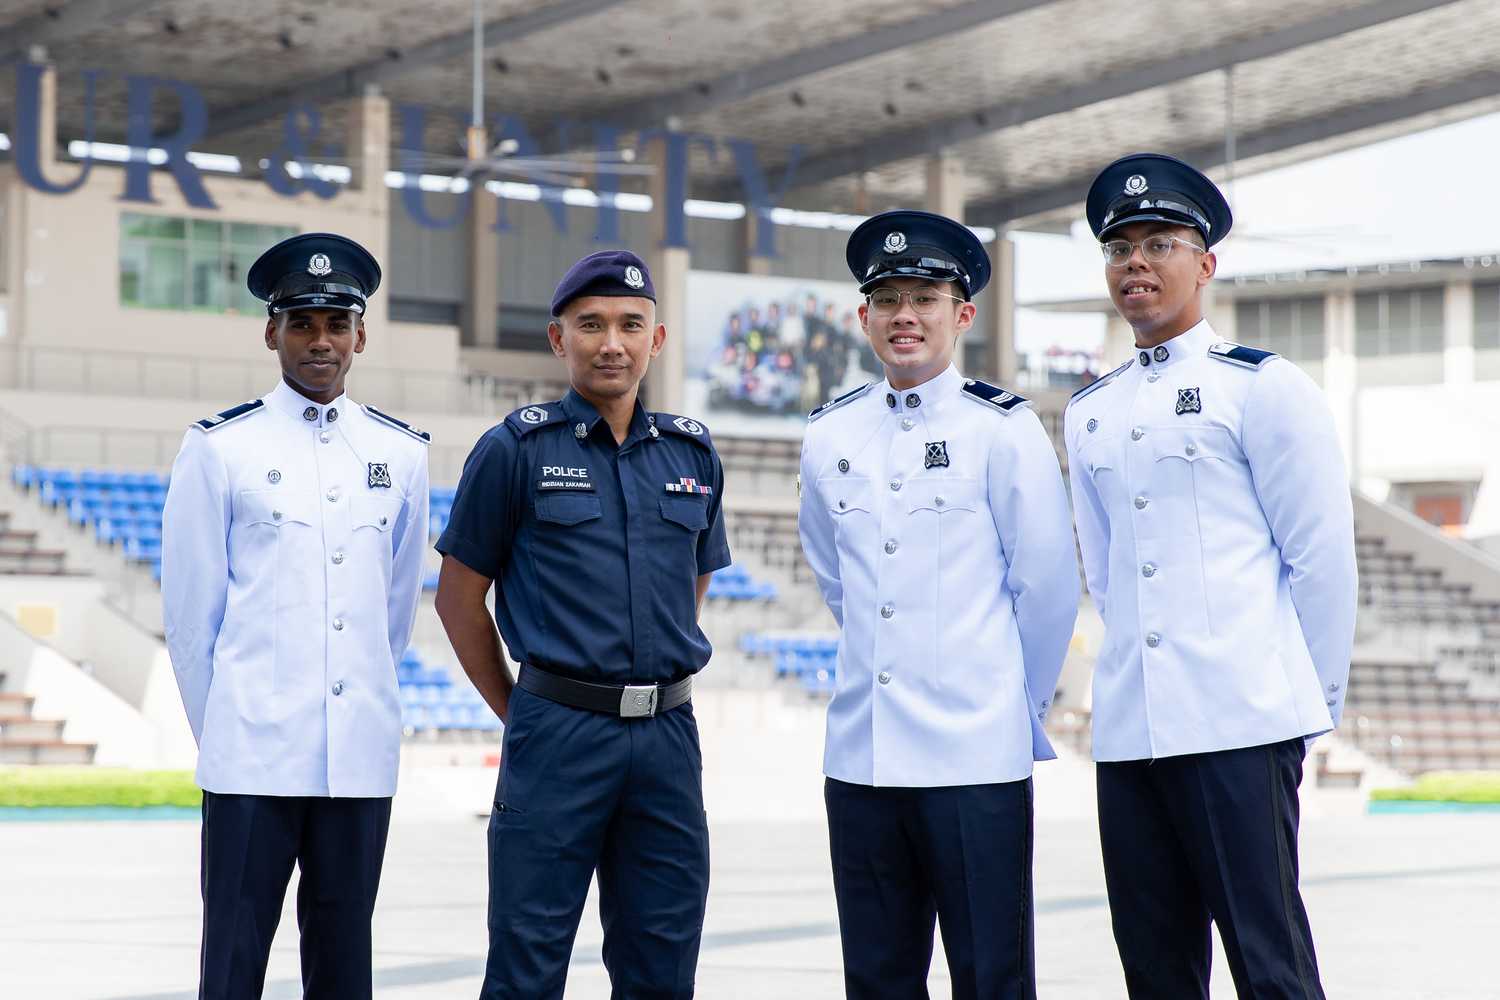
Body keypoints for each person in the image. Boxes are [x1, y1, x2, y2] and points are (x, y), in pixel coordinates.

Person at [1065, 153, 1357, 999]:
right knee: (1155, 969)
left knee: (1269, 965)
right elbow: (1108, 573)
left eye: (1160, 244)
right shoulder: (1091, 412)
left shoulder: (1262, 389)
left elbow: (1320, 558)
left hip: (1242, 722)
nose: (1138, 265)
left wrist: (1305, 708)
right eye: (1121, 249)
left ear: (1205, 262)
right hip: (1133, 735)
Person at [433, 250, 730, 1000]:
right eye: (590, 324)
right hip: (557, 732)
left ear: (656, 341)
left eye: (632, 325)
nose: (612, 343)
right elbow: (458, 598)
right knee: (529, 965)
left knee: (662, 965)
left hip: (666, 739)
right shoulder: (515, 451)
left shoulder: (693, 454)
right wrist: (523, 708)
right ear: (557, 339)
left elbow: (690, 581)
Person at [798, 209, 1080, 999]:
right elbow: (836, 575)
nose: (904, 316)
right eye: (887, 300)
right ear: (864, 317)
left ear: (962, 313)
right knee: (877, 979)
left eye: (925, 297)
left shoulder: (1002, 428)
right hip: (863, 760)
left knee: (991, 976)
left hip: (973, 761)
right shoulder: (830, 434)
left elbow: (1048, 588)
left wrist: (1003, 707)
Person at [161, 232, 430, 1000]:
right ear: (271, 330)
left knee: (345, 965)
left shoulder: (399, 455)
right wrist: (229, 737)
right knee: (233, 964)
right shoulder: (221, 449)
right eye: (303, 322)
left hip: (358, 759)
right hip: (251, 759)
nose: (321, 341)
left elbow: (393, 614)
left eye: (337, 323)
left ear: (361, 336)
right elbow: (190, 619)